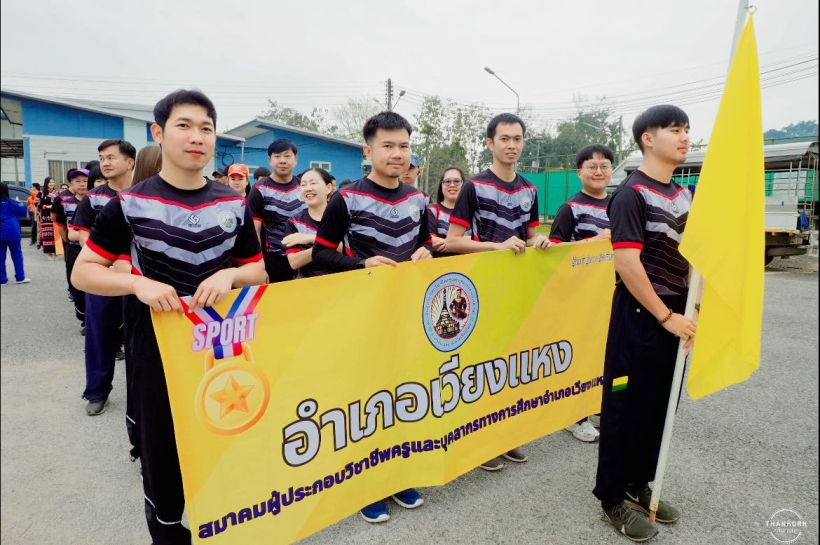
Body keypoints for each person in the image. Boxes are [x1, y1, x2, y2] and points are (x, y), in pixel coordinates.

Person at [71, 89, 265, 544]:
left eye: (206, 128)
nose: (196, 137)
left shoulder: (233, 203)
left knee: (227, 439)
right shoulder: (130, 203)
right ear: (158, 133)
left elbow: (258, 272)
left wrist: (229, 276)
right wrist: (137, 285)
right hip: (155, 347)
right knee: (163, 453)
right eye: (184, 126)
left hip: (222, 347)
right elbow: (84, 271)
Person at [313, 111, 431, 524]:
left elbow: (426, 242)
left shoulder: (418, 199)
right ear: (368, 150)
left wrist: (426, 252)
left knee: (401, 395)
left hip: (405, 315)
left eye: (404, 146)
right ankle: (365, 484)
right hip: (361, 317)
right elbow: (320, 252)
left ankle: (396, 475)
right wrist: (361, 264)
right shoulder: (346, 199)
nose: (397, 153)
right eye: (388, 145)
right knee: (366, 402)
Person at [593, 105, 697, 542]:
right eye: (675, 130)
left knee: (659, 405)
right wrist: (665, 316)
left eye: (687, 129)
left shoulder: (684, 195)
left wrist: (692, 310)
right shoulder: (630, 194)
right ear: (648, 139)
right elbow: (627, 263)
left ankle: (639, 481)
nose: (685, 137)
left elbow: (692, 257)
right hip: (641, 316)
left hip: (677, 315)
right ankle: (612, 497)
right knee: (625, 407)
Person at [444, 112, 550, 471]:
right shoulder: (474, 186)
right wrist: (495, 247)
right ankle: (479, 443)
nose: (511, 145)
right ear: (490, 143)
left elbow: (530, 236)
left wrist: (541, 242)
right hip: (480, 290)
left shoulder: (529, 189)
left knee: (510, 365)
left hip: (516, 291)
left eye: (517, 139)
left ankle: (504, 436)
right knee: (481, 367)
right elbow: (452, 242)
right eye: (504, 138)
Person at [549, 143, 615, 444]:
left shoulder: (619, 204)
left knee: (607, 354)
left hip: (612, 295)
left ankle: (599, 406)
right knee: (580, 356)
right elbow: (553, 254)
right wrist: (593, 243)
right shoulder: (570, 209)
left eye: (604, 166)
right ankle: (574, 417)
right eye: (592, 166)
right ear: (579, 172)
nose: (598, 172)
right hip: (579, 298)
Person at [72, 139, 136, 417]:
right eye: (101, 158)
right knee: (99, 334)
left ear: (130, 162)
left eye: (111, 157)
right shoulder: (93, 198)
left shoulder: (145, 194)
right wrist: (107, 268)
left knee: (141, 338)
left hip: (139, 278)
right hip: (103, 277)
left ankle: (145, 393)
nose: (105, 163)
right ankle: (98, 392)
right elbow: (84, 237)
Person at [247, 139, 305, 283]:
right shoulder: (259, 190)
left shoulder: (304, 187)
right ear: (270, 160)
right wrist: (259, 267)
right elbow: (254, 231)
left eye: (287, 156)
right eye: (277, 156)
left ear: (295, 159)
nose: (282, 161)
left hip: (304, 258)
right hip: (273, 261)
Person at [52, 168, 89, 333]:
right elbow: (60, 224)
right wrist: (68, 242)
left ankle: (95, 321)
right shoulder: (65, 202)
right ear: (71, 184)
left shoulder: (95, 202)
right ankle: (84, 319)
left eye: (85, 181)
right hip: (74, 249)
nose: (82, 184)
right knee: (77, 285)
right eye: (77, 181)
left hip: (94, 250)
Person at [283, 168, 334, 278]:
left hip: (342, 281)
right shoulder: (294, 222)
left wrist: (312, 239)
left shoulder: (341, 217)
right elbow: (294, 262)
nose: (308, 188)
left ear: (328, 188)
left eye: (313, 183)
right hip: (307, 283)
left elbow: (346, 249)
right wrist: (328, 245)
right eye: (303, 185)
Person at [427, 166, 471, 257]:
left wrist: (448, 243)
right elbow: (429, 240)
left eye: (457, 181)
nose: (452, 185)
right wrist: (461, 243)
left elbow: (479, 240)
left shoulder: (473, 212)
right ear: (441, 185)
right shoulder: (431, 210)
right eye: (447, 181)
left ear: (464, 185)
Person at [1, 182, 32, 285]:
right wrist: (19, 202)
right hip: (12, 232)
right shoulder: (12, 202)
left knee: (1, 257)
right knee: (17, 255)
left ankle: (2, 279)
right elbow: (23, 212)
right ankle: (20, 277)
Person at [39, 177, 58, 260]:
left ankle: (56, 252)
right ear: (46, 183)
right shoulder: (41, 193)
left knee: (55, 234)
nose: (51, 184)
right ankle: (48, 252)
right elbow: (38, 204)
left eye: (53, 182)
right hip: (46, 216)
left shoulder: (57, 193)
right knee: (47, 235)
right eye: (50, 182)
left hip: (55, 216)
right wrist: (47, 206)